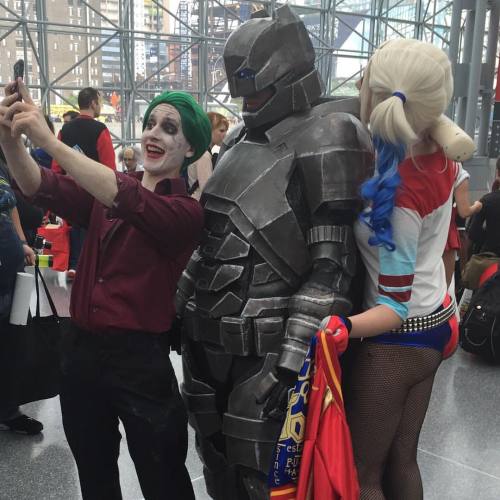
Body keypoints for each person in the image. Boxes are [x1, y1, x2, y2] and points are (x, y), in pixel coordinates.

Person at [176, 6, 373, 498]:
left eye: (257, 89)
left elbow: (333, 270)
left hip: (269, 348)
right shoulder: (242, 138)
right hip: (208, 342)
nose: (248, 102)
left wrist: (289, 364)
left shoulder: (331, 134)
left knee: (264, 473)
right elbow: (211, 240)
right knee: (215, 461)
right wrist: (176, 308)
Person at [0, 81, 211, 500]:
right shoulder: (108, 189)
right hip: (81, 351)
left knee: (163, 478)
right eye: (151, 123)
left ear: (190, 148)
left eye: (170, 128)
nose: (154, 133)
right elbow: (41, 186)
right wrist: (10, 142)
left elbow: (127, 199)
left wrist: (50, 140)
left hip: (139, 360)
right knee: (94, 474)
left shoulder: (184, 211)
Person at [319, 38, 472, 499]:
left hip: (400, 339)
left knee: (364, 474)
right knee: (402, 461)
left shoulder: (401, 195)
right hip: (439, 321)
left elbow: (393, 306)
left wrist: (335, 326)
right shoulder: (440, 145)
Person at [52, 87, 116, 280]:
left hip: (70, 190)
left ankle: (73, 264)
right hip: (94, 192)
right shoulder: (100, 130)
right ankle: (92, 268)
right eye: (100, 101)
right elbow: (109, 167)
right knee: (92, 229)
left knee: (74, 227)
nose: (101, 105)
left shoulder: (65, 130)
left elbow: (56, 164)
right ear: (93, 103)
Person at [0, 151, 41, 435]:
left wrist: (23, 241)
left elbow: (10, 205)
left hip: (9, 265)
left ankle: (8, 409)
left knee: (11, 338)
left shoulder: (1, 165)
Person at [186, 111, 229, 199]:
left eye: (226, 131)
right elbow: (206, 189)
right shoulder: (204, 155)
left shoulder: (198, 150)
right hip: (199, 204)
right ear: (208, 130)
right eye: (221, 130)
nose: (225, 135)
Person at [468, 181, 500, 256]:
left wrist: (489, 238)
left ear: (498, 174)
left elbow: (473, 233)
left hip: (490, 256)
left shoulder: (486, 200)